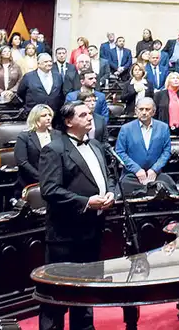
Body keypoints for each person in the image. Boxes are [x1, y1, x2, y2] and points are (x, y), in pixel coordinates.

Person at [37, 101, 115, 330]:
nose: (90, 118)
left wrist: (111, 193)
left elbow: (107, 178)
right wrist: (86, 202)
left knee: (86, 290)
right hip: (65, 235)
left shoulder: (97, 146)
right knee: (57, 294)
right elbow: (49, 190)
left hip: (92, 230)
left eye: (90, 114)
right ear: (69, 121)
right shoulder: (54, 149)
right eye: (83, 115)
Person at [115, 98, 177, 196]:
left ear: (153, 112)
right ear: (136, 111)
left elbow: (166, 151)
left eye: (147, 109)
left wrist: (154, 169)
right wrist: (137, 170)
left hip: (155, 175)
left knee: (167, 187)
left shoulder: (163, 127)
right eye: (141, 109)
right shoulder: (126, 129)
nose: (144, 112)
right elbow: (120, 152)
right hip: (132, 175)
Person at [154, 72, 179, 138]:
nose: (176, 80)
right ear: (168, 81)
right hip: (163, 129)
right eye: (173, 78)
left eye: (177, 78)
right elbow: (155, 113)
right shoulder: (159, 95)